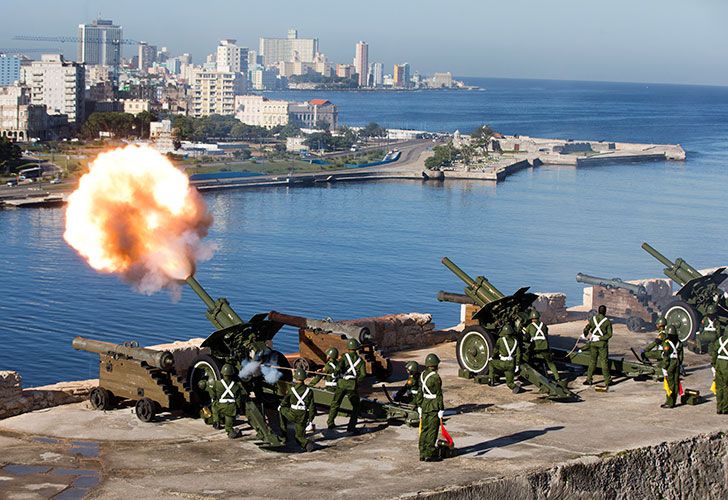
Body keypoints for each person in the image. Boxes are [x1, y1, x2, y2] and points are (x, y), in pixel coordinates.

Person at [327, 338, 366, 434]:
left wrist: (336, 374)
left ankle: (330, 423)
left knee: (335, 403)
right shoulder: (361, 361)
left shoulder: (344, 357)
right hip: (352, 385)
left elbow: (338, 368)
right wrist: (356, 381)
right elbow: (363, 375)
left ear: (348, 347)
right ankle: (351, 427)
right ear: (356, 348)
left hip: (341, 383)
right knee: (356, 406)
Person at [414, 353, 445, 462]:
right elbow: (439, 394)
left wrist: (419, 405)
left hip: (424, 404)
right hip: (433, 405)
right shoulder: (436, 377)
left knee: (424, 429)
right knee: (432, 430)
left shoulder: (422, 375)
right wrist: (441, 409)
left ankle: (422, 452)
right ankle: (430, 454)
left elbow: (419, 391)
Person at [278, 367, 316, 451]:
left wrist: (281, 405)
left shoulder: (292, 390)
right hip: (303, 416)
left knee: (281, 410)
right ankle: (307, 444)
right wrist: (310, 420)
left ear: (296, 378)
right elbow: (312, 407)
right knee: (299, 436)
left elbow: (285, 401)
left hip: (292, 413)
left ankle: (284, 434)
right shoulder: (309, 391)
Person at [523, 310, 560, 382]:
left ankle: (527, 375)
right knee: (550, 362)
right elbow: (546, 333)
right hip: (544, 346)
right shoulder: (543, 325)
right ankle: (557, 377)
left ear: (531, 318)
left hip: (535, 347)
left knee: (526, 359)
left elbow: (525, 338)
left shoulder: (530, 326)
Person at [582, 305, 613, 389]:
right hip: (602, 344)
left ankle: (589, 379)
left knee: (592, 361)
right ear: (605, 311)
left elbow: (586, 329)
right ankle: (607, 381)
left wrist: (585, 335)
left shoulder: (593, 319)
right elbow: (609, 335)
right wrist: (600, 338)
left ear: (598, 311)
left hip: (593, 343)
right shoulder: (607, 322)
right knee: (604, 362)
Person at [211, 364, 245, 438]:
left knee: (214, 405)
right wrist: (238, 408)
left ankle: (216, 421)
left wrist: (215, 399)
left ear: (222, 373)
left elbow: (213, 395)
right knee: (229, 418)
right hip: (231, 407)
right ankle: (229, 430)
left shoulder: (217, 384)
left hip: (220, 406)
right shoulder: (236, 385)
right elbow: (238, 399)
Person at [488, 323, 522, 393]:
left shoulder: (500, 340)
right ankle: (514, 386)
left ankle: (491, 380)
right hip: (511, 365)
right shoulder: (515, 342)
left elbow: (495, 351)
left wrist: (492, 357)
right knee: (509, 383)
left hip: (503, 363)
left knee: (491, 363)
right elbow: (519, 354)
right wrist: (517, 365)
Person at [661, 325, 684, 409]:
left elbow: (666, 357)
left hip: (670, 364)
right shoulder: (679, 343)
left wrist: (664, 367)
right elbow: (681, 356)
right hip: (677, 363)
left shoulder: (667, 343)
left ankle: (669, 402)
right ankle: (674, 401)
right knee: (675, 382)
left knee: (669, 383)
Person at [709, 323, 728, 414]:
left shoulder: (719, 341)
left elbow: (714, 354)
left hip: (718, 363)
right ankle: (725, 408)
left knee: (719, 387)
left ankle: (719, 408)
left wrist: (713, 365)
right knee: (726, 387)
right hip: (726, 365)